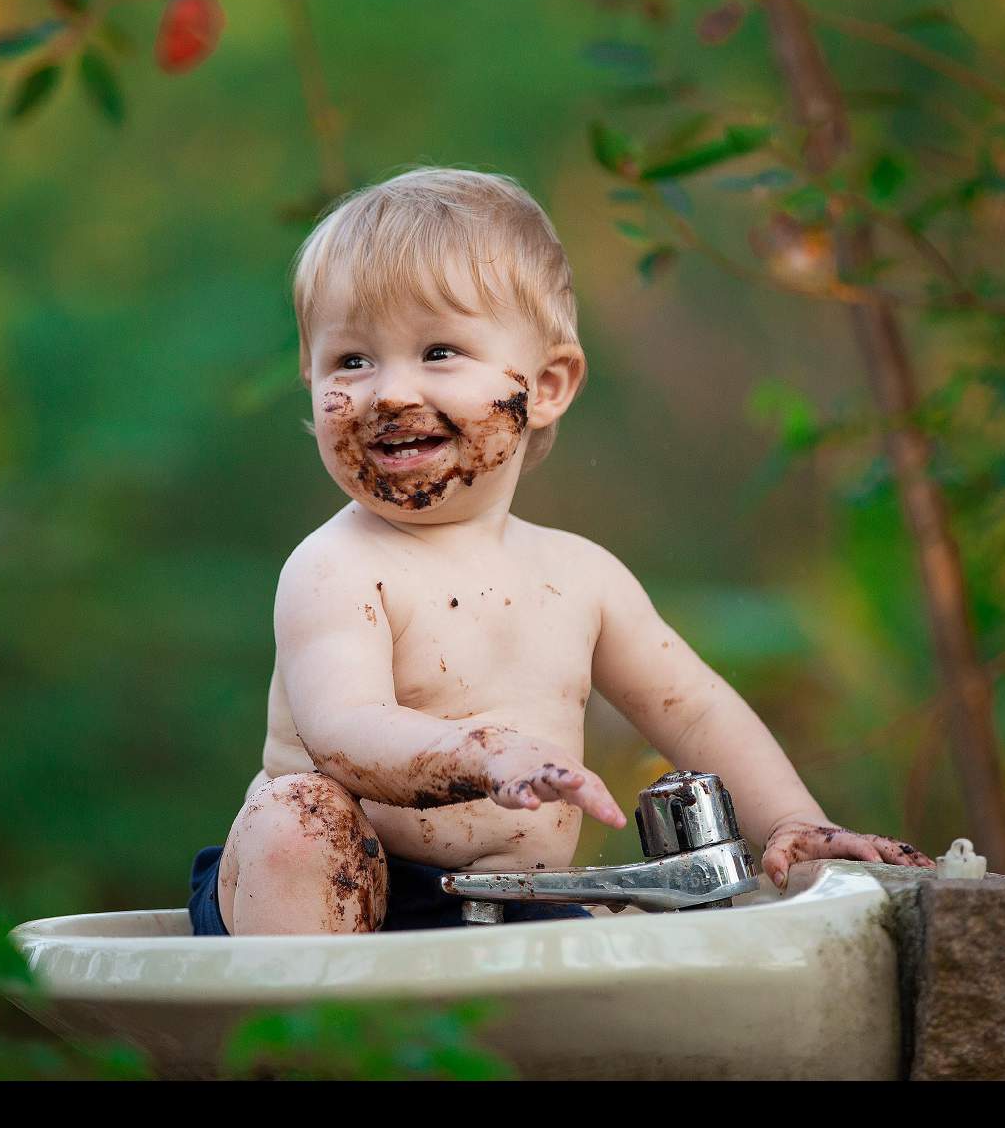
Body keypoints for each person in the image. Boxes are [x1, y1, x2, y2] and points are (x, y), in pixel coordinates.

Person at [188, 166, 934, 936]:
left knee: (613, 947)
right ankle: (299, 1044)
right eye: (351, 361)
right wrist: (483, 753)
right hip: (335, 898)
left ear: (546, 385)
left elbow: (697, 709)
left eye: (439, 351)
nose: (390, 393)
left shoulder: (581, 575)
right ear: (309, 382)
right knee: (296, 816)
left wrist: (790, 824)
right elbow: (343, 729)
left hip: (511, 906)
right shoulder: (337, 565)